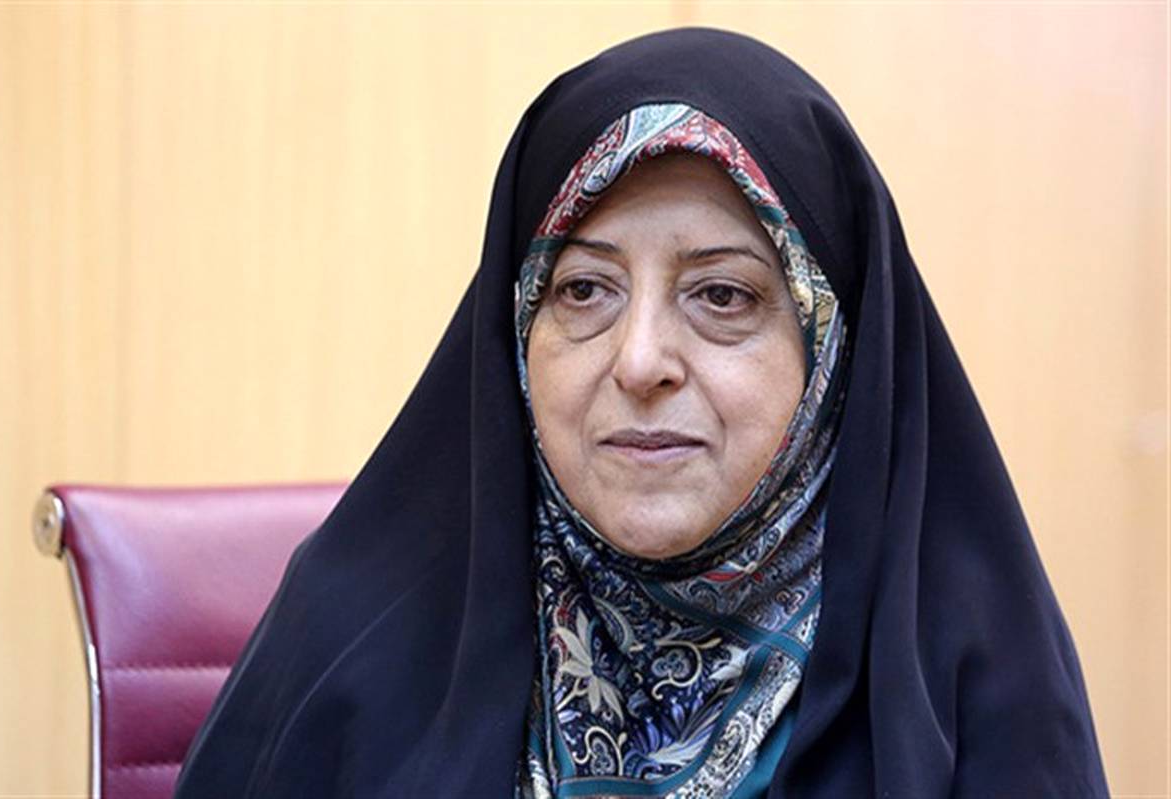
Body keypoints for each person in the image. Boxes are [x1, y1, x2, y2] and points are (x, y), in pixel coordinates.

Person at [174, 27, 1109, 798]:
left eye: (723, 296)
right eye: (584, 289)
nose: (640, 361)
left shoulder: (974, 684)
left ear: (832, 351)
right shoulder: (345, 647)